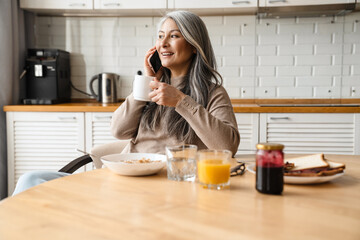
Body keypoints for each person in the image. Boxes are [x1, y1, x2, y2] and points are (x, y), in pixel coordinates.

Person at [12, 10, 240, 195]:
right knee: (31, 179)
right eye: (160, 36)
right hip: (122, 179)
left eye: (174, 36)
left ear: (193, 45)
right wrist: (145, 82)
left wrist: (181, 101)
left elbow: (226, 147)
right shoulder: (150, 87)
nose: (163, 44)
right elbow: (119, 130)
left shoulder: (213, 93)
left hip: (163, 188)